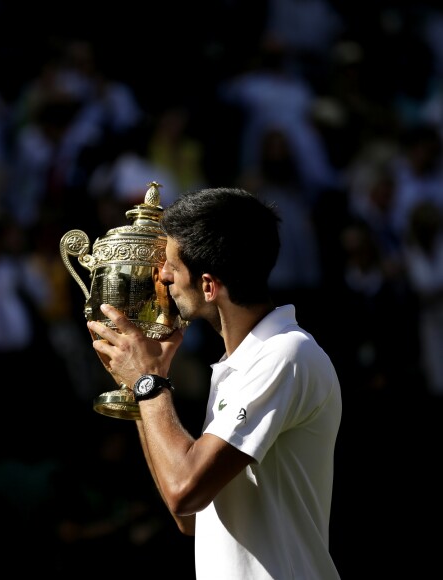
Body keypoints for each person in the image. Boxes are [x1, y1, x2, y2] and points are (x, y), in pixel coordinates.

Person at [87, 187, 343, 579]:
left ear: (208, 285)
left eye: (172, 264)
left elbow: (184, 488)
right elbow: (189, 515)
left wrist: (148, 382)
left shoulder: (284, 356)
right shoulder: (240, 363)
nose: (163, 276)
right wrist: (139, 386)